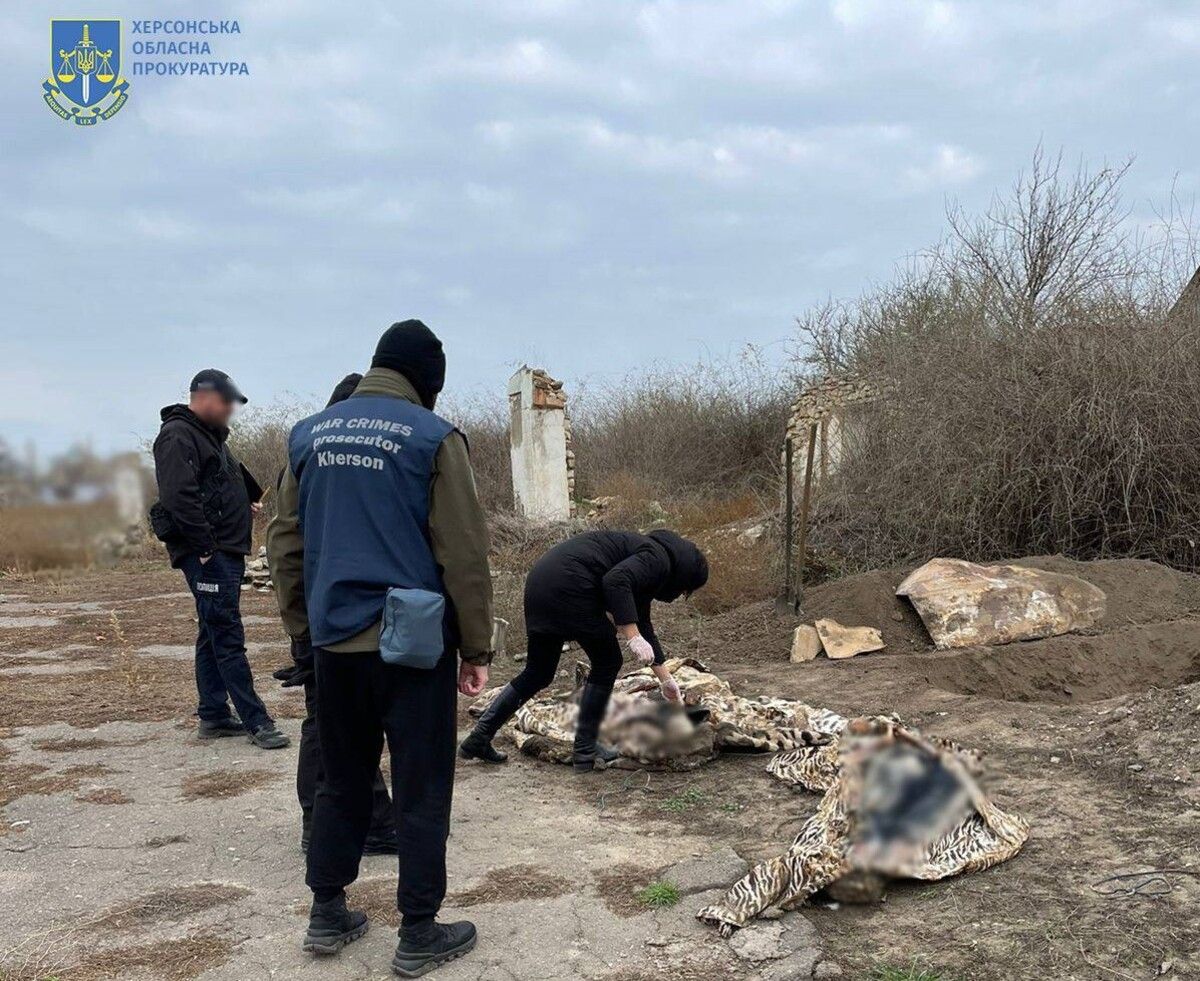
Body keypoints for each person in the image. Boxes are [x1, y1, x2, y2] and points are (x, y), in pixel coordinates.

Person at [266, 321, 494, 978]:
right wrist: (476, 646)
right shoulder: (433, 437)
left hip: (335, 643)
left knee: (341, 779)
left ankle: (327, 911)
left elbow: (283, 544)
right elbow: (463, 551)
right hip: (414, 648)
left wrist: (304, 630)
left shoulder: (309, 435)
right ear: (427, 380)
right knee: (422, 785)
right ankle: (418, 930)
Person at [270, 373, 399, 856]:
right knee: (328, 722)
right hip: (331, 617)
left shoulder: (314, 457)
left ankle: (364, 820)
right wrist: (301, 630)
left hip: (328, 614)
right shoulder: (317, 461)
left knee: (339, 721)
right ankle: (327, 824)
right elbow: (284, 547)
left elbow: (285, 547)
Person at [460, 529, 708, 773]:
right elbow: (616, 581)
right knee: (608, 661)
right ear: (684, 575)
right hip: (571, 585)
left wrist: (666, 680)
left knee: (538, 672)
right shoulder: (658, 559)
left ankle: (479, 737)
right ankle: (586, 748)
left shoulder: (645, 554)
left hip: (541, 585)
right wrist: (632, 638)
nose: (680, 595)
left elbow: (642, 623)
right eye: (685, 590)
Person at [151, 369, 289, 751]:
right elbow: (178, 497)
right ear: (204, 396)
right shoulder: (177, 435)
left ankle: (213, 714)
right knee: (227, 634)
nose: (230, 409)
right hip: (208, 554)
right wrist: (205, 546)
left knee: (212, 629)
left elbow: (216, 481)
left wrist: (245, 499)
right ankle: (257, 720)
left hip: (224, 550)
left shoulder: (208, 435)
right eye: (226, 401)